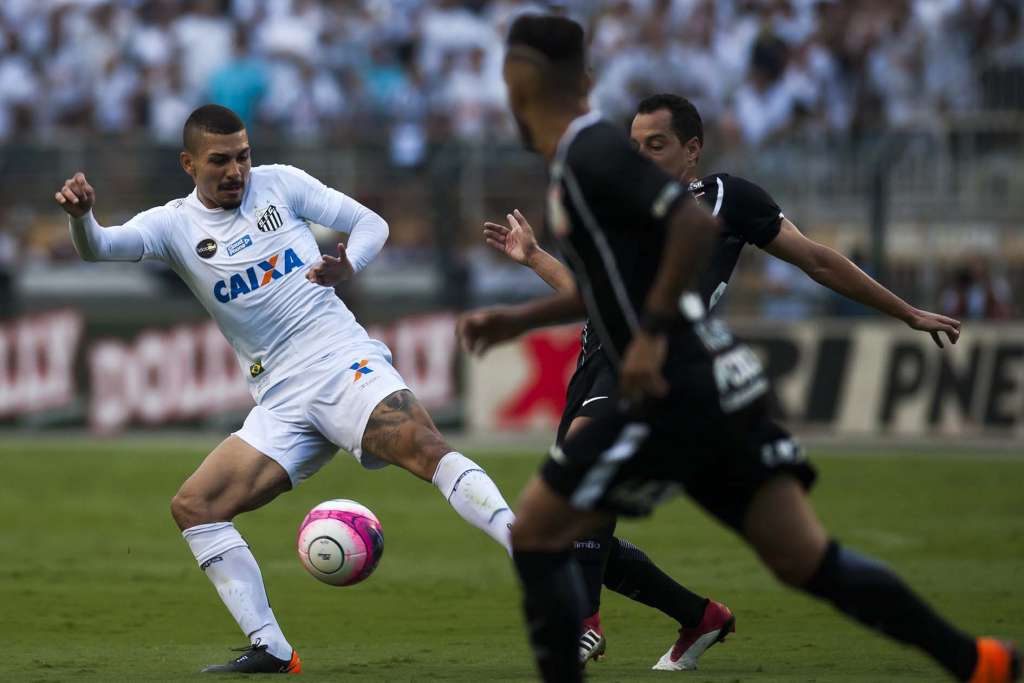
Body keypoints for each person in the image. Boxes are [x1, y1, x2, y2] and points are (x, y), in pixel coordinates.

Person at [462, 13, 1019, 683]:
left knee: (538, 531)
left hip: (662, 382)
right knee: (805, 559)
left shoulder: (593, 154)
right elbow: (604, 291)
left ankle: (586, 629)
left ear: (525, 83)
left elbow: (698, 229)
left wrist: (650, 338)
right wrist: (521, 314)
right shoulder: (582, 166)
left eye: (510, 79)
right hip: (710, 381)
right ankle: (981, 661)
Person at [55, 104, 516, 675]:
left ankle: (534, 555)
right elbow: (100, 247)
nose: (236, 171)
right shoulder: (173, 225)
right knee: (196, 507)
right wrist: (83, 217)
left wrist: (352, 266)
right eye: (219, 160)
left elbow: (373, 224)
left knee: (425, 449)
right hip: (278, 395)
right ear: (188, 163)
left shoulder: (282, 184)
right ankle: (272, 649)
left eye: (242, 156)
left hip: (338, 358)